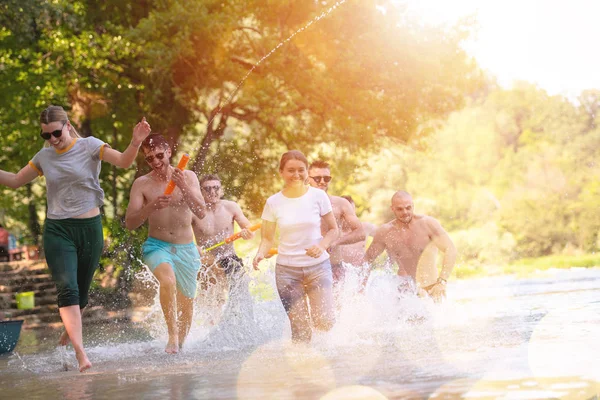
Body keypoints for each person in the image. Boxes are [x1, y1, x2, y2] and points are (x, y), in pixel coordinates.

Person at [0, 105, 151, 372]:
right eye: (45, 135)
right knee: (67, 289)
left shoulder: (91, 146)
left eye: (56, 133)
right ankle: (81, 354)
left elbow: (125, 162)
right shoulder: (44, 157)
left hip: (90, 229)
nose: (52, 140)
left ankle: (67, 337)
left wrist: (135, 142)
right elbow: (14, 181)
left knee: (80, 295)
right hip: (58, 231)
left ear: (67, 125)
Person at [125, 134, 206, 354]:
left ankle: (179, 346)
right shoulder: (141, 184)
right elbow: (130, 223)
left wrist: (183, 186)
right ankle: (172, 335)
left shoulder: (188, 176)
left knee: (187, 304)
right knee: (167, 280)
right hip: (157, 246)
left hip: (187, 248)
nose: (156, 162)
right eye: (150, 159)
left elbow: (201, 211)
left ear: (169, 151)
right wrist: (150, 207)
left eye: (159, 155)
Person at [253, 150, 339, 342]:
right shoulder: (273, 202)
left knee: (324, 321)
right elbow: (267, 239)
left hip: (318, 268)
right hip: (287, 272)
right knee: (300, 331)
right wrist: (260, 254)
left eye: (301, 170)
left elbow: (334, 230)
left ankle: (327, 362)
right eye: (291, 170)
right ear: (281, 172)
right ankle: (303, 368)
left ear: (307, 172)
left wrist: (322, 246)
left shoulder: (318, 196)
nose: (297, 175)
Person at [362, 191, 457, 302]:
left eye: (408, 208)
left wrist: (442, 281)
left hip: (430, 291)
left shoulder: (428, 224)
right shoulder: (385, 232)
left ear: (413, 206)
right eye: (400, 209)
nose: (405, 212)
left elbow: (450, 249)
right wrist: (361, 287)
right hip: (404, 295)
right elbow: (367, 260)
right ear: (392, 208)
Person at [308, 161, 365, 285]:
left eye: (326, 178)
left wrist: (335, 242)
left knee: (336, 304)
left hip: (334, 267)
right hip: (306, 266)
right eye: (317, 178)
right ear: (308, 179)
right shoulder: (298, 204)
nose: (322, 181)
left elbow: (361, 233)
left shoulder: (341, 204)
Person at [338, 195, 377, 266]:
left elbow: (386, 235)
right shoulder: (332, 234)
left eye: (352, 213)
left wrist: (370, 255)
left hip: (361, 273)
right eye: (345, 213)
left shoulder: (365, 228)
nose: (350, 216)